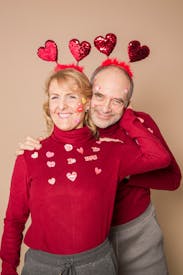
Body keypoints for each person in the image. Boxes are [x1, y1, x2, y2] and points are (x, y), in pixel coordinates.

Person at [16, 59, 181, 275]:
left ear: (128, 104)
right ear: (86, 95)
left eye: (117, 101)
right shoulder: (75, 122)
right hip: (92, 242)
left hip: (137, 231)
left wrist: (122, 173)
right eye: (99, 96)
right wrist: (35, 148)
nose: (105, 108)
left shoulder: (139, 123)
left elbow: (172, 179)